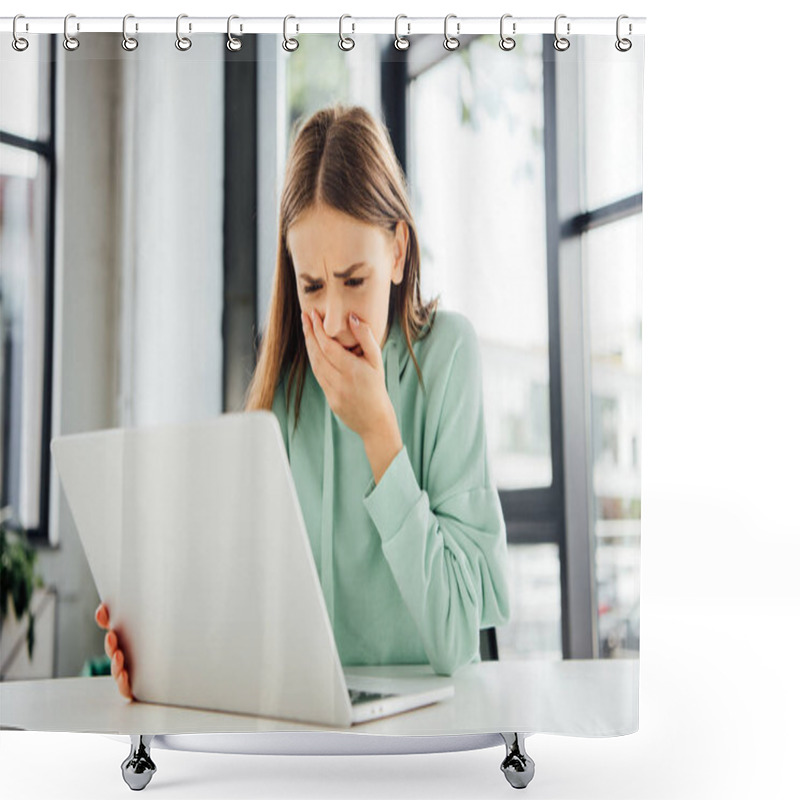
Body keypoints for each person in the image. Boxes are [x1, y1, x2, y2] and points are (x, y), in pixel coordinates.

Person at [97, 103, 510, 701]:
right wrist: (159, 652)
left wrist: (380, 436)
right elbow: (247, 623)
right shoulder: (285, 391)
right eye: (312, 286)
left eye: (354, 279)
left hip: (433, 730)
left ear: (397, 253)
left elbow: (454, 638)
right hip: (314, 725)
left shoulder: (448, 357)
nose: (335, 318)